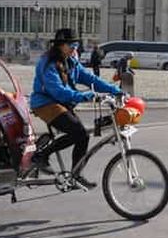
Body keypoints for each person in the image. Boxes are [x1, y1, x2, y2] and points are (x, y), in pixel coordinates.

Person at [30, 28, 122, 187]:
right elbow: (59, 92)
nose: (75, 48)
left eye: (76, 44)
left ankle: (75, 176)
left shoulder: (71, 61)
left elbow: (90, 79)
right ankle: (41, 156)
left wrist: (115, 90)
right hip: (45, 103)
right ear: (60, 45)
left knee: (83, 135)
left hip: (62, 103)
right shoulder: (48, 63)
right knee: (77, 131)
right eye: (71, 44)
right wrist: (86, 95)